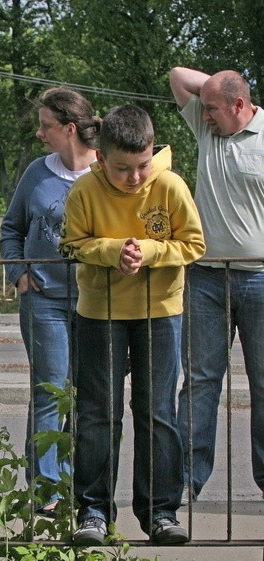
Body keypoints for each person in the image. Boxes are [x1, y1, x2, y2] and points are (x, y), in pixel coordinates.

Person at [59, 105, 205, 545]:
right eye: (122, 169)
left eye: (142, 166)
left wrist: (149, 250)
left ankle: (160, 512)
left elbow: (194, 244)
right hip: (98, 314)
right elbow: (71, 245)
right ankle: (93, 512)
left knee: (158, 412)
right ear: (101, 158)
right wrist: (112, 251)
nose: (135, 178)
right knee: (97, 414)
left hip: (160, 311)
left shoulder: (171, 185)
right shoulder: (84, 190)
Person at [0, 87, 100, 515]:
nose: (40, 133)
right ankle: (46, 492)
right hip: (44, 301)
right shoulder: (37, 173)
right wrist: (18, 273)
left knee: (89, 395)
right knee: (49, 392)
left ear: (70, 129)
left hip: (97, 302)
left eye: (46, 126)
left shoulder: (107, 173)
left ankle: (79, 480)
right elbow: (11, 228)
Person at [169, 67, 264, 503]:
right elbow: (177, 75)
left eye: (212, 108)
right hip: (206, 277)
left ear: (240, 107)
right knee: (202, 382)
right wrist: (217, 91)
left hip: (261, 279)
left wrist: (225, 92)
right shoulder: (208, 130)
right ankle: (186, 481)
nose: (202, 114)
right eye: (202, 107)